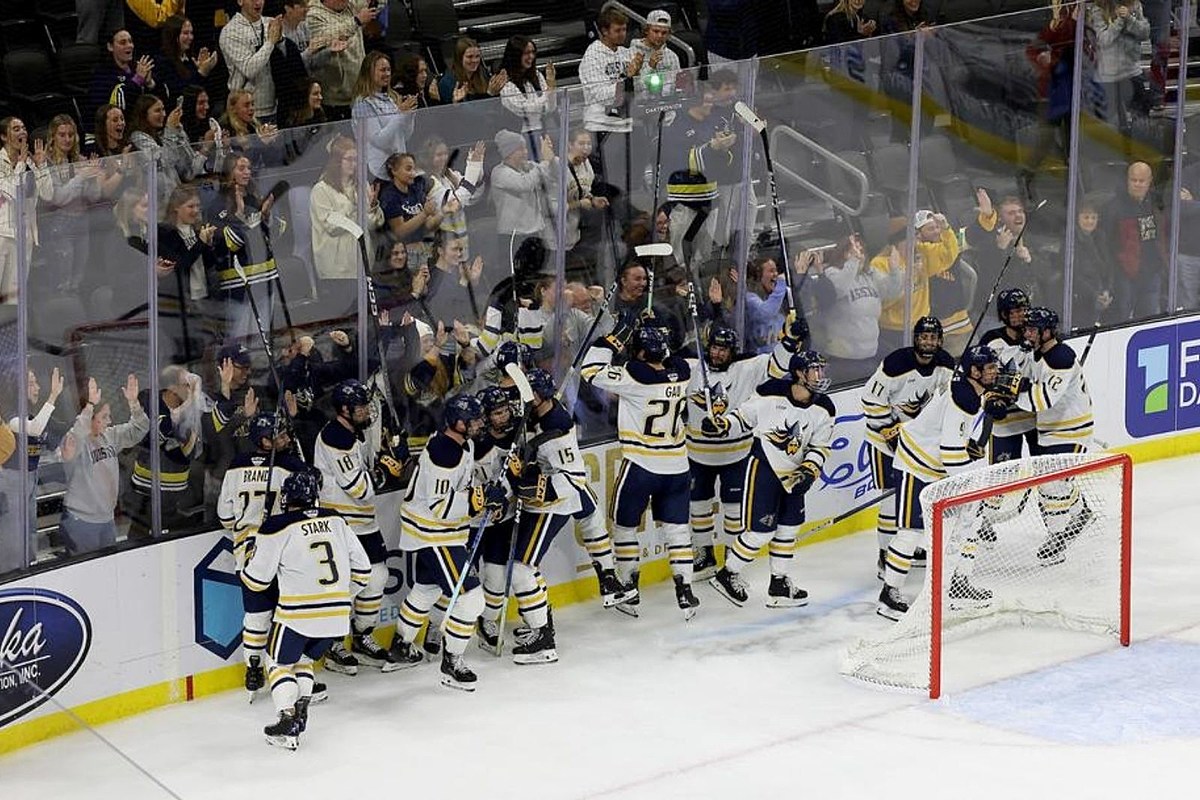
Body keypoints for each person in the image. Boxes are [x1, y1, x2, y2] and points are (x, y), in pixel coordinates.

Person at [241, 470, 371, 749]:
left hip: (296, 615)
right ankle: (301, 711)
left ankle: (287, 721)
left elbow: (256, 581)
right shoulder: (336, 519)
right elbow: (363, 570)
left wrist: (253, 551)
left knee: (277, 662)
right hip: (336, 618)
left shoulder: (276, 526)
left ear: (288, 498)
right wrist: (340, 598)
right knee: (302, 660)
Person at [580, 323, 699, 618]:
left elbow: (590, 370)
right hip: (678, 466)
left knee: (624, 526)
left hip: (641, 465)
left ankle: (629, 586)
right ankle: (685, 590)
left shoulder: (634, 377)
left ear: (641, 352)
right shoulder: (684, 372)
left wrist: (610, 339)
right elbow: (675, 359)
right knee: (678, 530)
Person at [880, 345, 1002, 620]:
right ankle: (889, 594)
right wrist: (972, 483)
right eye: (991, 367)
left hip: (936, 467)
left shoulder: (970, 391)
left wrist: (971, 446)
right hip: (916, 464)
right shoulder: (964, 398)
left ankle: (959, 584)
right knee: (911, 533)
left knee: (969, 521)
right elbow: (950, 451)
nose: (996, 371)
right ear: (974, 371)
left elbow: (954, 439)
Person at [392, 394, 506, 689]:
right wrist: (479, 499)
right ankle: (451, 661)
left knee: (427, 590)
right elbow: (440, 506)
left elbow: (463, 489)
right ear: (456, 422)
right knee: (471, 599)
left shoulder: (460, 443)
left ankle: (401, 645)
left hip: (439, 530)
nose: (479, 424)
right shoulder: (444, 453)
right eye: (474, 420)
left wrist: (484, 496)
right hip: (434, 532)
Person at [707, 349, 835, 608]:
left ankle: (779, 584)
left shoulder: (824, 408)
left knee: (789, 528)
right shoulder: (770, 392)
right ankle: (727, 574)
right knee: (760, 532)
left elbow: (820, 447)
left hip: (795, 474)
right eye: (815, 370)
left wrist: (809, 470)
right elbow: (742, 417)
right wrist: (723, 425)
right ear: (799, 373)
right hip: (764, 468)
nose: (820, 375)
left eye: (822, 369)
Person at [685, 323, 796, 580]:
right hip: (697, 454)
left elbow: (778, 365)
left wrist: (789, 341)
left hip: (736, 454)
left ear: (732, 351)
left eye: (723, 349)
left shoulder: (747, 368)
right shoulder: (692, 368)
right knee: (699, 506)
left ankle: (730, 558)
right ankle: (704, 553)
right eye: (714, 347)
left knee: (733, 510)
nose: (717, 353)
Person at [313, 379, 402, 674]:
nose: (367, 411)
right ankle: (333, 643)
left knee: (377, 576)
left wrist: (392, 454)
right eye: (361, 407)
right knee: (345, 585)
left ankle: (362, 636)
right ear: (344, 410)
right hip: (341, 523)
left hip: (363, 521)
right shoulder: (335, 437)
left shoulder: (355, 432)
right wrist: (385, 470)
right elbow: (360, 488)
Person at [218, 412, 308, 696]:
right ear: (265, 441)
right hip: (282, 553)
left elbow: (224, 516)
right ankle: (288, 669)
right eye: (279, 435)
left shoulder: (235, 467)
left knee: (256, 615)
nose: (285, 439)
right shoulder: (290, 467)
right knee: (287, 612)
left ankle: (253, 667)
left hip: (247, 554)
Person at [860, 315, 955, 579]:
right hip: (884, 440)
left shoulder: (946, 364)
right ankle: (884, 553)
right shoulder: (896, 363)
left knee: (911, 497)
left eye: (933, 338)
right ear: (915, 339)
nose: (928, 342)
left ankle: (903, 546)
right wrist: (888, 430)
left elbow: (949, 400)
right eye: (924, 337)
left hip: (916, 443)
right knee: (891, 496)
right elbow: (870, 399)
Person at [1013, 307, 1096, 564]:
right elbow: (1020, 377)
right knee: (1050, 483)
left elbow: (1042, 400)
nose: (1027, 333)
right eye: (1026, 328)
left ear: (1047, 332)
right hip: (1049, 430)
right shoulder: (1035, 352)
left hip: (1073, 431)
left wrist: (1016, 389)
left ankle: (1057, 537)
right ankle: (1080, 511)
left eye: (1032, 330)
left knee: (1052, 483)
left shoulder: (1060, 358)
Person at [59, 375, 151, 556]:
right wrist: (90, 407)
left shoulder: (109, 436)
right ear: (90, 419)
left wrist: (134, 404)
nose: (109, 421)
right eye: (104, 417)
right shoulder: (75, 441)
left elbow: (139, 429)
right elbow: (76, 436)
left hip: (107, 520)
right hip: (81, 522)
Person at [809, 235, 904, 385]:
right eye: (853, 251)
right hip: (843, 359)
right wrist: (853, 262)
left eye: (861, 251)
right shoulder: (832, 273)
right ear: (842, 253)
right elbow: (838, 289)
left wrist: (895, 270)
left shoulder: (870, 275)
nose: (859, 255)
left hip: (870, 354)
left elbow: (892, 291)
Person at [872, 210, 960, 357]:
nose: (917, 241)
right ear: (899, 242)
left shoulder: (922, 253)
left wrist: (946, 229)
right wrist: (909, 277)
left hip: (921, 326)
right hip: (894, 331)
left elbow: (949, 254)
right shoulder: (880, 264)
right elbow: (883, 302)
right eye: (912, 238)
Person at [309, 137, 383, 311]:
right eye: (349, 159)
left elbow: (372, 225)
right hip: (336, 270)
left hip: (362, 264)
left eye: (357, 159)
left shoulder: (362, 185)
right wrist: (355, 206)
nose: (354, 164)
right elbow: (333, 226)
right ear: (336, 161)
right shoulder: (321, 190)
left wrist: (372, 206)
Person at [578, 8, 641, 204]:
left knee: (627, 183)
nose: (623, 34)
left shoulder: (625, 53)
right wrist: (627, 78)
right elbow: (600, 95)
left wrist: (643, 72)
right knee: (606, 186)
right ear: (604, 31)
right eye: (618, 30)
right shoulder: (592, 55)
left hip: (625, 124)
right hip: (601, 128)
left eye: (624, 29)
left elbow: (640, 87)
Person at [40, 115, 103, 294]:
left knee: (78, 277)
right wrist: (82, 176)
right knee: (62, 277)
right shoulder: (47, 163)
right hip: (59, 224)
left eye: (71, 134)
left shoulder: (79, 159)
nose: (67, 139)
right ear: (53, 136)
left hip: (82, 221)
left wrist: (93, 178)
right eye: (62, 135)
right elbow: (58, 198)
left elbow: (94, 196)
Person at [978, 288, 1037, 465]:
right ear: (1004, 314)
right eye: (1017, 311)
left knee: (1045, 474)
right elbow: (986, 377)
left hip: (1034, 418)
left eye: (1025, 309)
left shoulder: (1036, 335)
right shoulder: (991, 340)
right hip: (1004, 424)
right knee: (1004, 480)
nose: (1023, 315)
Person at [0, 118, 52, 306]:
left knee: (13, 298)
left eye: (23, 128)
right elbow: (12, 193)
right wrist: (21, 165)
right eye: (15, 129)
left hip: (24, 237)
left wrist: (41, 166)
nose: (22, 132)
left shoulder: (31, 161)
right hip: (2, 234)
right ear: (4, 136)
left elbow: (48, 194)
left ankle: (9, 335)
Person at [1106, 160, 1167, 320]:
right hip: (1125, 274)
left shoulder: (1156, 202)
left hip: (1152, 272)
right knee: (1122, 317)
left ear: (1150, 181)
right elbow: (1107, 242)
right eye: (1134, 180)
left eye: (1142, 181)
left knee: (1150, 318)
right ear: (1127, 180)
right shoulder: (1114, 207)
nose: (1138, 185)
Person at [491, 129, 557, 273]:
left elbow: (552, 175)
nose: (526, 152)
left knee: (538, 274)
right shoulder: (500, 173)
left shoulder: (528, 167)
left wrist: (550, 158)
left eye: (525, 148)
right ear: (509, 152)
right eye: (521, 149)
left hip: (535, 232)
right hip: (514, 237)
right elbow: (525, 184)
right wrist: (545, 162)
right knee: (517, 277)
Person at [1086, 0, 1152, 140]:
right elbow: (1104, 40)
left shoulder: (1134, 5)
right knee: (1114, 123)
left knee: (1142, 114)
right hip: (1109, 75)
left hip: (1132, 70)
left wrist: (1129, 18)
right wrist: (1119, 21)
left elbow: (1145, 33)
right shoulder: (1098, 10)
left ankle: (1141, 149)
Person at [127, 94, 211, 203]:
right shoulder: (138, 137)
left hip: (176, 199)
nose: (164, 114)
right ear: (144, 115)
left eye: (163, 109)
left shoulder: (163, 136)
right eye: (157, 110)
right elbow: (167, 160)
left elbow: (189, 170)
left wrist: (179, 132)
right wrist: (170, 129)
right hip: (157, 202)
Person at [351, 51, 417, 182]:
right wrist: (400, 114)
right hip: (378, 172)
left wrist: (409, 115)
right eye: (382, 70)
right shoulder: (363, 104)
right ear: (369, 73)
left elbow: (405, 135)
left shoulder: (391, 99)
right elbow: (379, 140)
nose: (387, 74)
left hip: (398, 168)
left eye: (389, 70)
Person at [307, 0, 378, 120]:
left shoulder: (350, 6)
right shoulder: (313, 15)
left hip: (360, 93)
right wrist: (356, 21)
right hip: (334, 99)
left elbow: (380, 3)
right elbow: (326, 37)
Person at [419, 137, 486, 259]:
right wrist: (473, 167)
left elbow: (473, 196)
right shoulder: (427, 181)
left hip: (461, 241)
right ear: (428, 158)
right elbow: (454, 202)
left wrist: (478, 169)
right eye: (438, 155)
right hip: (442, 247)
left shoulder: (450, 175)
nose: (443, 158)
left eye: (445, 154)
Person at [220, 0, 282, 122]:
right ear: (240, 1)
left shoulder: (271, 23)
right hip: (245, 112)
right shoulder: (231, 31)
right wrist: (270, 42)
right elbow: (249, 69)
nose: (258, 3)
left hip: (275, 107)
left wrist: (282, 42)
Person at [379, 152, 441, 267]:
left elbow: (427, 225)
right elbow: (399, 231)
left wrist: (444, 212)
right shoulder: (390, 197)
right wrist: (424, 213)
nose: (413, 173)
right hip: (403, 255)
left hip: (425, 249)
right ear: (394, 171)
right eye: (408, 169)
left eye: (413, 169)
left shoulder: (415, 190)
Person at [86, 29, 156, 126]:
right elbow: (117, 105)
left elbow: (154, 103)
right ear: (110, 47)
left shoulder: (137, 68)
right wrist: (137, 80)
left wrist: (150, 84)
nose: (129, 45)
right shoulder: (102, 74)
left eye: (130, 41)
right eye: (123, 42)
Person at [499, 36, 557, 150]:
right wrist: (548, 92)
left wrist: (551, 85)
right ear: (516, 55)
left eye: (533, 52)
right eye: (526, 53)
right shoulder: (505, 80)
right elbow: (523, 109)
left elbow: (551, 107)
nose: (531, 56)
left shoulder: (537, 75)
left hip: (543, 132)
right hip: (520, 138)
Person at [156, 15, 221, 103]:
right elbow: (181, 92)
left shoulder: (189, 60)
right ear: (173, 35)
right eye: (186, 33)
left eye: (191, 33)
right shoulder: (163, 61)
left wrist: (202, 70)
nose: (191, 37)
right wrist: (201, 72)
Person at [220, 89, 285, 170]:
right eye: (246, 105)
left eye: (252, 104)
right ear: (233, 109)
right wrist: (261, 142)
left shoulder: (254, 127)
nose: (251, 108)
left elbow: (271, 161)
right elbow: (241, 164)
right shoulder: (226, 132)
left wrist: (271, 142)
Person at [434, 37, 508, 105]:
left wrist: (497, 91)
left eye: (477, 56)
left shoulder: (483, 73)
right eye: (470, 57)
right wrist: (490, 95)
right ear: (460, 58)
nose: (474, 60)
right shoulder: (448, 82)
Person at [628, 9, 681, 96]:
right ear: (646, 30)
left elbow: (674, 86)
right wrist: (650, 67)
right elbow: (635, 90)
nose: (660, 36)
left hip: (667, 103)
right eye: (656, 31)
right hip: (640, 104)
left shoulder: (672, 56)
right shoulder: (632, 53)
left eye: (664, 33)